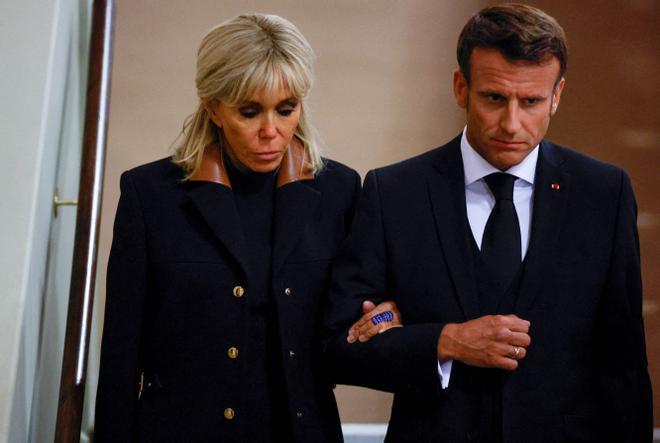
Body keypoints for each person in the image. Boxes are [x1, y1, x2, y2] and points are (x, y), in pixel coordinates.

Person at [325, 4, 652, 442]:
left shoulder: (604, 194)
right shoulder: (394, 192)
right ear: (461, 87)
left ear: (557, 95)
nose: (512, 124)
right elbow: (338, 347)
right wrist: (445, 341)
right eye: (495, 98)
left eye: (531, 101)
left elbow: (623, 365)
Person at [95, 13, 381, 442]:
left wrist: (381, 319)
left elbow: (352, 321)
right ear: (213, 107)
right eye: (250, 112)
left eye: (287, 110)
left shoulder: (339, 190)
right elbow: (122, 351)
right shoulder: (149, 195)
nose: (272, 131)